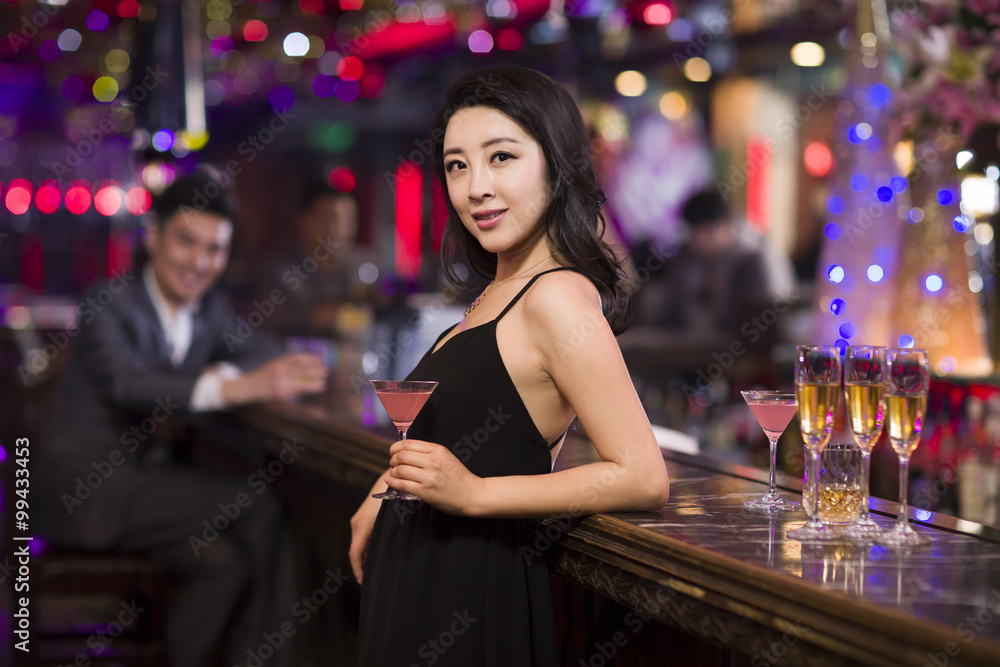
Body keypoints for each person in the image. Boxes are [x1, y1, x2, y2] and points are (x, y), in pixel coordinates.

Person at [349, 68, 670, 666]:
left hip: (469, 584)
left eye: (501, 157)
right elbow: (445, 431)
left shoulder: (556, 297)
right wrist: (381, 489)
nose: (476, 187)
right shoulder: (489, 298)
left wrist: (474, 494)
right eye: (457, 165)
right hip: (416, 574)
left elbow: (642, 475)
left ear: (556, 164)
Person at [33, 167, 328, 667]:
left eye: (215, 249)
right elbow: (129, 383)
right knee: (260, 506)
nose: (200, 261)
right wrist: (238, 384)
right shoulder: (107, 304)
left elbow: (262, 350)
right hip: (86, 492)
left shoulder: (207, 311)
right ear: (152, 236)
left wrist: (248, 367)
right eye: (186, 241)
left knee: (225, 565)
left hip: (147, 487)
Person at [633, 188, 790, 342]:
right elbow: (667, 312)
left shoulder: (755, 260)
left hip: (739, 356)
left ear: (721, 226)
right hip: (690, 354)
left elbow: (761, 327)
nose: (693, 241)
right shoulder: (687, 258)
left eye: (699, 232)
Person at [260, 183, 378, 339]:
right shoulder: (280, 273)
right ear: (303, 221)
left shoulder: (366, 264)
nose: (339, 230)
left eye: (348, 220)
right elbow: (283, 326)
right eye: (328, 219)